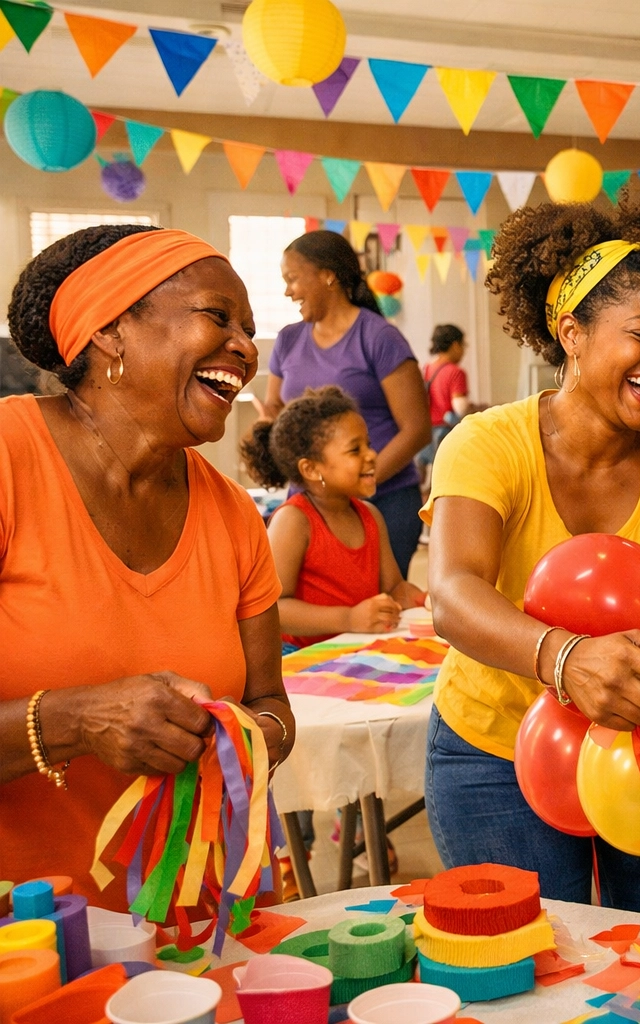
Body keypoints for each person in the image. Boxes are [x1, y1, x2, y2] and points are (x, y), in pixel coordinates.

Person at [423, 195, 640, 918]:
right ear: (571, 332)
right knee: (534, 966)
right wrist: (566, 659)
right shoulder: (486, 443)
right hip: (496, 753)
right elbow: (453, 592)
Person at [0, 225, 293, 910]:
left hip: (196, 929)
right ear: (110, 331)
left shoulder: (233, 515)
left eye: (248, 329)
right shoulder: (9, 458)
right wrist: (76, 722)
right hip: (29, 936)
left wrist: (239, 738)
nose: (247, 348)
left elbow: (270, 703)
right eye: (217, 317)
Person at [264, 230, 430, 577]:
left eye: (293, 279)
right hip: (311, 503)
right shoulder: (288, 340)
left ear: (328, 275)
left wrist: (357, 483)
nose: (287, 291)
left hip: (384, 501)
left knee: (372, 616)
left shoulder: (379, 338)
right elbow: (275, 413)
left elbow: (417, 430)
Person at [241, 385, 425, 651]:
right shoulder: (294, 520)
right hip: (299, 657)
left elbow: (395, 587)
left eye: (369, 445)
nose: (371, 455)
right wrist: (349, 618)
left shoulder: (370, 516)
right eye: (355, 450)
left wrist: (427, 600)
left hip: (353, 645)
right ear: (312, 469)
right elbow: (274, 608)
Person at [419, 324, 481, 476]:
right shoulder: (455, 372)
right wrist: (475, 409)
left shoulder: (426, 369)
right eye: (463, 346)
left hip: (426, 433)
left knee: (427, 481)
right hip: (444, 434)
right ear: (455, 345)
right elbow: (460, 407)